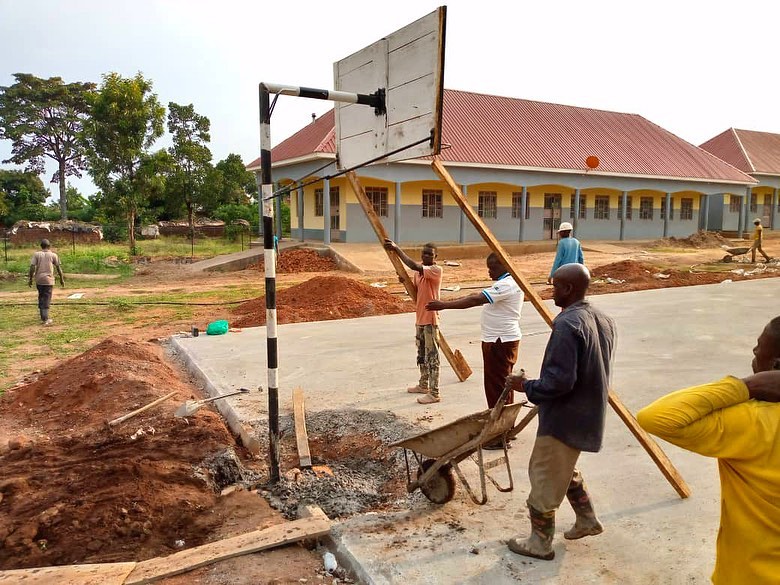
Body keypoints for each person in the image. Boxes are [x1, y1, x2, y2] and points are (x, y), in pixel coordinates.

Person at [637, 317, 780, 584]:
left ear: (774, 367)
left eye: (759, 346)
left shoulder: (749, 423)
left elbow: (655, 417)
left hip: (750, 575)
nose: (754, 352)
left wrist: (747, 386)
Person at [504, 263, 616, 560]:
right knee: (564, 469)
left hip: (565, 418)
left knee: (543, 475)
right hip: (588, 413)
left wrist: (525, 385)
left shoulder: (567, 325)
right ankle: (588, 520)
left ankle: (539, 543)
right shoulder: (601, 318)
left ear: (568, 289)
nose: (551, 291)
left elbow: (558, 382)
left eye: (555, 286)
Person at [426, 252, 524, 425]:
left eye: (492, 268)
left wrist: (444, 305)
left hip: (499, 341)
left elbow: (475, 300)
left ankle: (499, 431)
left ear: (504, 266)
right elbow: (480, 296)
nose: (489, 272)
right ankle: (506, 426)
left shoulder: (507, 284)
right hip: (500, 339)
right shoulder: (508, 283)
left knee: (497, 387)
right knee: (504, 385)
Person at [384, 239, 443, 404]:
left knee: (433, 357)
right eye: (424, 253)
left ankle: (435, 392)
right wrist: (405, 283)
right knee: (422, 355)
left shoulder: (435, 270)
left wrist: (397, 249)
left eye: (429, 254)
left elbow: (413, 265)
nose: (426, 256)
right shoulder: (419, 274)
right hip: (420, 318)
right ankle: (423, 384)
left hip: (431, 319)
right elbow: (417, 292)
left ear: (435, 256)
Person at [28, 238, 65, 326]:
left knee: (41, 297)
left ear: (41, 246)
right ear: (49, 246)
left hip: (39, 280)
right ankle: (46, 319)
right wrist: (61, 279)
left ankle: (43, 316)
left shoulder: (36, 254)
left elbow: (32, 267)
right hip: (48, 280)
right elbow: (58, 268)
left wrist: (30, 279)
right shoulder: (53, 255)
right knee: (46, 298)